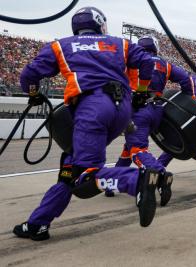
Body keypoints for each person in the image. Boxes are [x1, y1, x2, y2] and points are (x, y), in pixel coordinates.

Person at [13, 7, 158, 241]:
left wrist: (33, 94)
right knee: (71, 168)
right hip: (122, 109)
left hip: (91, 108)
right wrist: (141, 92)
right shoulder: (119, 43)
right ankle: (38, 223)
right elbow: (147, 63)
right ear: (101, 25)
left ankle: (137, 180)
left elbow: (29, 74)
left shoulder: (61, 45)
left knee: (85, 175)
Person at [110, 36, 192, 206]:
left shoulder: (131, 60)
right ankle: (113, 182)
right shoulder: (164, 64)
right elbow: (185, 79)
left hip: (138, 109)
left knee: (136, 149)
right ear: (155, 47)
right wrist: (187, 99)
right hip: (157, 111)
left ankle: (160, 175)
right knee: (129, 147)